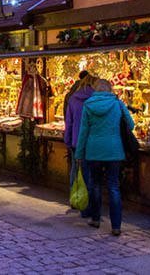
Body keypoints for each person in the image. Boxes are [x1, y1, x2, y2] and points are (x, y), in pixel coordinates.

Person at [75, 79, 134, 236]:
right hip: (114, 150)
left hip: (93, 150)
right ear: (110, 89)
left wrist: (79, 153)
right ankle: (116, 225)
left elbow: (83, 132)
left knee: (95, 184)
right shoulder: (117, 104)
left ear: (95, 89)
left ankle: (95, 218)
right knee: (114, 186)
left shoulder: (88, 105)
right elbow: (131, 124)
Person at [64, 74, 96, 217]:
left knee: (76, 170)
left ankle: (75, 198)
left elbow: (69, 122)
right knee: (91, 174)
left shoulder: (73, 98)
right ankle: (89, 206)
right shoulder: (96, 100)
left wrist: (68, 139)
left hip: (76, 141)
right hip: (92, 141)